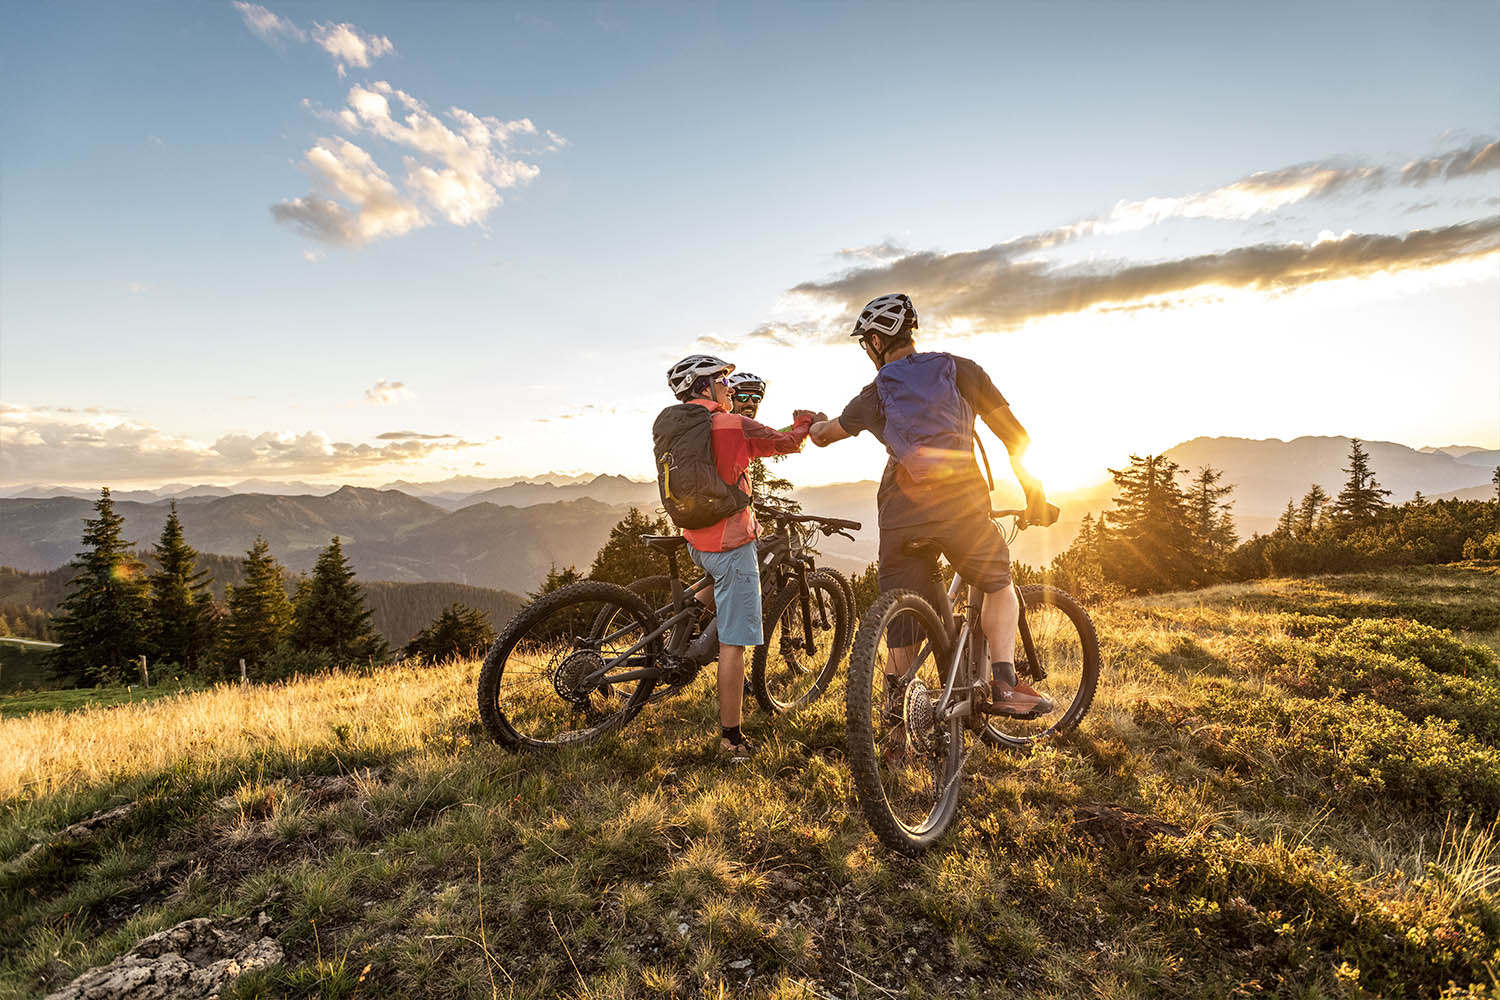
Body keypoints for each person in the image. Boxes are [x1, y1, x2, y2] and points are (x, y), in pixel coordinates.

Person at [807, 293, 1057, 717]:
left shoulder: (875, 392)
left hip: (901, 515)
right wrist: (1033, 492)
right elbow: (1015, 437)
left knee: (902, 630)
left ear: (875, 341)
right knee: (999, 584)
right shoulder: (963, 371)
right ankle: (1004, 683)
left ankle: (894, 728)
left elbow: (825, 434)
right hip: (962, 507)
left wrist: (811, 422)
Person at [658, 355, 818, 762]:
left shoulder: (675, 425)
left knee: (717, 580)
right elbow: (785, 443)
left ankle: (682, 623)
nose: (729, 388)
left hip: (695, 537)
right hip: (730, 544)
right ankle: (732, 741)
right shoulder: (733, 424)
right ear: (703, 387)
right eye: (723, 381)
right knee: (734, 645)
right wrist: (803, 421)